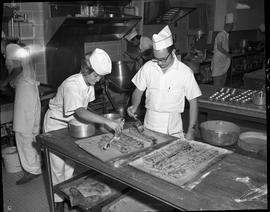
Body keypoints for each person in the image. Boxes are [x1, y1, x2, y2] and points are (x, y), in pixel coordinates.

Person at [43, 48, 124, 210]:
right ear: (85, 71)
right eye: (95, 75)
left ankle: (66, 199)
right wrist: (106, 122)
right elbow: (79, 111)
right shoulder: (72, 85)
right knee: (57, 168)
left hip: (71, 125)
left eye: (100, 76)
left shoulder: (89, 82)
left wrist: (105, 124)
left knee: (70, 164)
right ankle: (57, 205)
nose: (98, 79)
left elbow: (86, 108)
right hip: (55, 124)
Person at [127, 25, 202, 140]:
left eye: (163, 59)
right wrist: (134, 105)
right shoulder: (148, 67)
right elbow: (138, 90)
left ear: (173, 52)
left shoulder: (185, 72)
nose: (160, 63)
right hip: (149, 125)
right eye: (156, 59)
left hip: (172, 129)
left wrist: (191, 130)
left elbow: (193, 101)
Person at [0, 43, 42, 184]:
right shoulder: (14, 48)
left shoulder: (10, 47)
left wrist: (4, 82)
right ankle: (36, 165)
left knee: (23, 132)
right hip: (29, 90)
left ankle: (32, 170)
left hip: (25, 91)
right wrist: (10, 83)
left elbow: (18, 68)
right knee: (32, 131)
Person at [211, 13, 234, 86]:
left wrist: (227, 55)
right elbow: (219, 47)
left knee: (222, 85)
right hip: (218, 63)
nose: (232, 28)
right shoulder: (220, 35)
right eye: (231, 26)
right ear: (227, 25)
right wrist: (228, 55)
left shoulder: (226, 35)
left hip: (223, 63)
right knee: (217, 86)